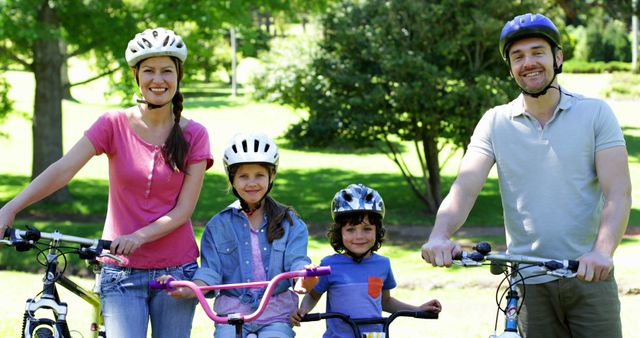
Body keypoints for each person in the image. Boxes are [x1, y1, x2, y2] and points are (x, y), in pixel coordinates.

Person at [421, 13, 631, 338]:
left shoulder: (595, 113)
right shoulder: (495, 122)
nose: (528, 62)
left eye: (537, 52)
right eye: (517, 56)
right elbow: (464, 188)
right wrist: (440, 234)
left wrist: (602, 251)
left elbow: (618, 192)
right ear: (510, 68)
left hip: (590, 277)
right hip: (527, 284)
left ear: (557, 58)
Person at [0, 27, 213, 338]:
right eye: (149, 71)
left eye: (167, 71)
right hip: (120, 269)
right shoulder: (112, 124)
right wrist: (10, 208)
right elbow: (63, 170)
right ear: (136, 76)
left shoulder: (195, 134)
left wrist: (139, 236)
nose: (158, 80)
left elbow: (183, 211)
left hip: (176, 272)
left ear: (178, 75)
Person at [159, 132, 317, 338]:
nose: (251, 183)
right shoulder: (218, 226)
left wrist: (305, 277)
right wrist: (187, 290)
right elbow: (211, 272)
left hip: (276, 315)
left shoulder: (291, 224)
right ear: (232, 179)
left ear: (272, 176)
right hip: (232, 315)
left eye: (259, 175)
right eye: (243, 176)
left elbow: (297, 264)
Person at [291, 184, 442, 337]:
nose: (359, 236)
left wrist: (417, 309)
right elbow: (313, 295)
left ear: (377, 230)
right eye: (350, 230)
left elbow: (385, 301)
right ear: (339, 232)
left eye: (367, 229)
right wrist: (303, 310)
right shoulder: (329, 265)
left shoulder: (382, 264)